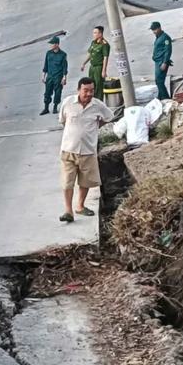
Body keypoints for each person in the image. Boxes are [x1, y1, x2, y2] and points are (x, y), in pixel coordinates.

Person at [58, 77, 114, 223]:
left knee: (86, 181)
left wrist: (94, 127)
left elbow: (108, 117)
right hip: (68, 149)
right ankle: (68, 211)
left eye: (91, 90)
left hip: (88, 150)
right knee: (67, 181)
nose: (89, 94)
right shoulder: (68, 103)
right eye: (85, 90)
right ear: (78, 90)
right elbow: (63, 120)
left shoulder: (98, 105)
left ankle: (80, 206)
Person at [41, 35, 68, 115]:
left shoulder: (63, 55)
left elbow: (64, 67)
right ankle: (46, 108)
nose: (51, 45)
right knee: (47, 92)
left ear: (57, 44)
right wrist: (43, 75)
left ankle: (55, 107)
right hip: (50, 76)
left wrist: (64, 77)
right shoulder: (48, 53)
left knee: (58, 92)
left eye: (52, 43)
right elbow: (46, 65)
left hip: (58, 76)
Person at [80, 26, 110, 90]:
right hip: (92, 67)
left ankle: (98, 99)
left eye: (95, 33)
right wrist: (84, 63)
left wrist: (104, 70)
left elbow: (105, 58)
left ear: (100, 34)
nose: (94, 34)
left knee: (98, 86)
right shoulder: (93, 42)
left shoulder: (104, 44)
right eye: (93, 33)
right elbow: (90, 53)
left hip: (99, 68)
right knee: (91, 85)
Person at [150, 21, 174, 100]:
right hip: (158, 61)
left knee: (159, 81)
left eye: (155, 29)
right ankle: (161, 97)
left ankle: (165, 98)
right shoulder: (158, 37)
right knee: (158, 81)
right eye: (152, 30)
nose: (153, 31)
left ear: (159, 28)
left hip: (161, 62)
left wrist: (165, 62)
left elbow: (168, 51)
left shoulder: (165, 37)